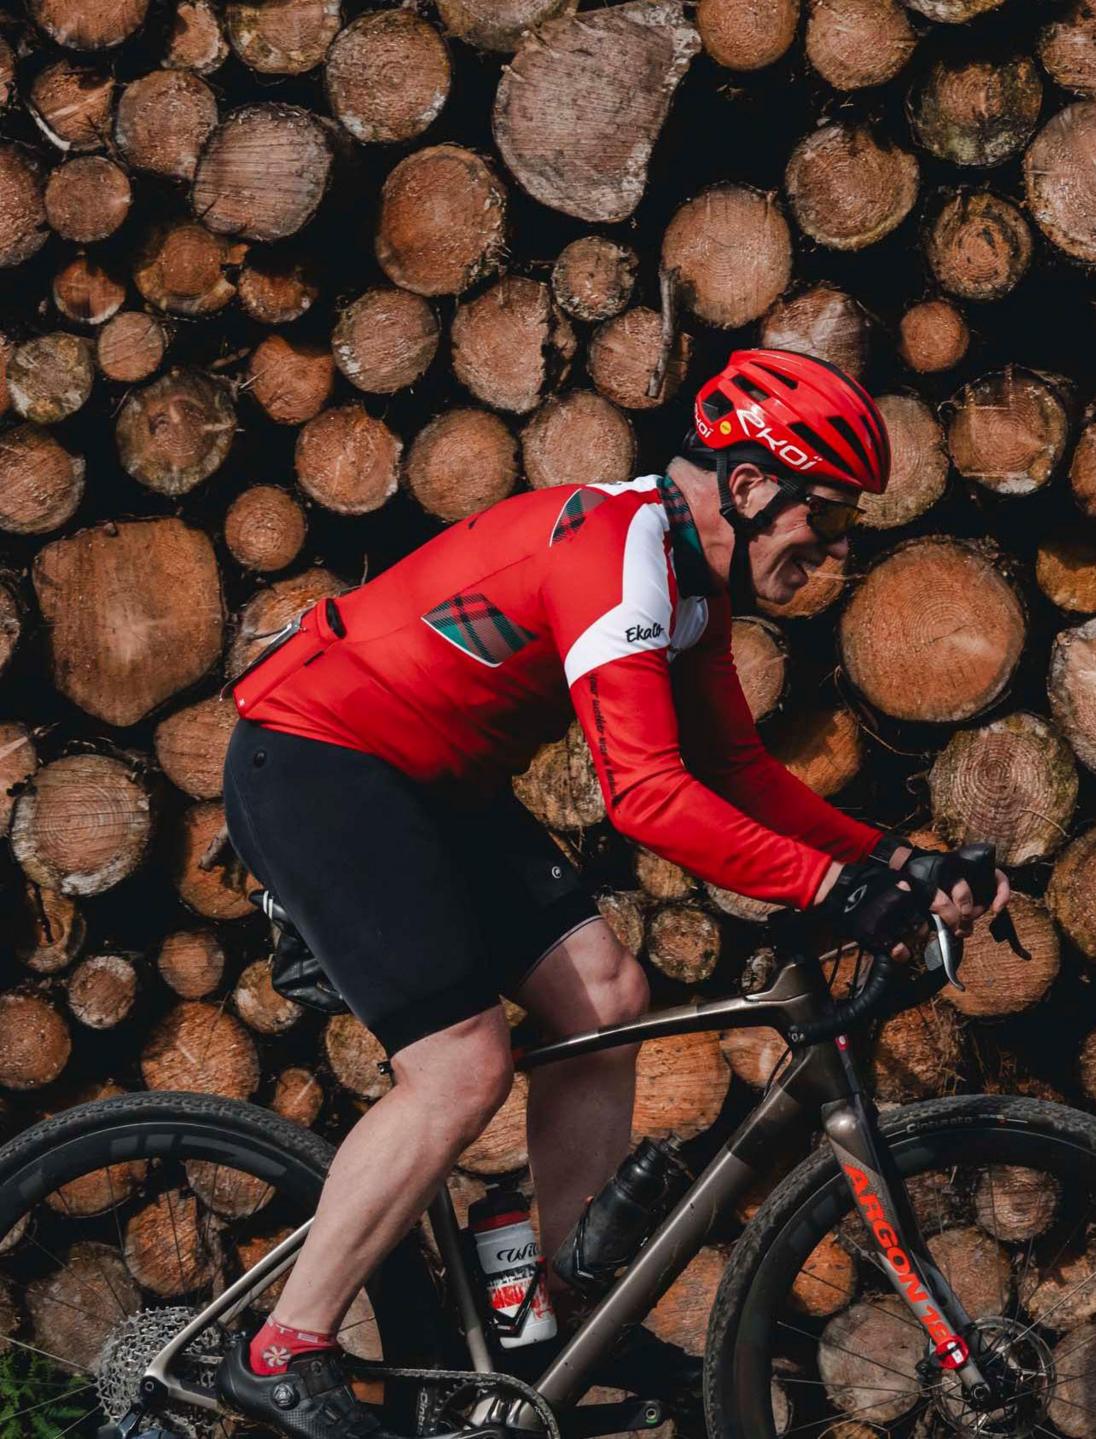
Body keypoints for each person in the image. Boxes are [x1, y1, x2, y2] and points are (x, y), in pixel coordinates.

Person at [217, 349, 1008, 1438]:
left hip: (432, 779)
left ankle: (551, 1307)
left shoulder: (686, 584)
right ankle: (284, 1341)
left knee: (604, 987)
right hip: (322, 758)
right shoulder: (619, 548)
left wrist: (894, 862)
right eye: (821, 517)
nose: (830, 551)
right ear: (745, 485)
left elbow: (738, 771)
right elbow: (644, 795)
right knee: (461, 1065)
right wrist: (840, 888)